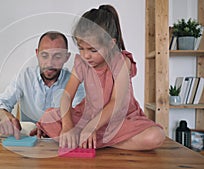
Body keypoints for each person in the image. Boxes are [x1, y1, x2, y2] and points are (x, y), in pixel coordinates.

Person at [37, 5, 165, 150]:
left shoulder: (122, 62)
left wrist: (91, 128)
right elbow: (67, 96)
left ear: (111, 44)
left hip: (119, 119)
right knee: (50, 117)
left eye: (93, 50)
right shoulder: (81, 62)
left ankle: (91, 140)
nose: (86, 55)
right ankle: (88, 139)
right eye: (81, 48)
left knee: (155, 136)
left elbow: (116, 102)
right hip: (89, 117)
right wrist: (67, 127)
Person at [0, 31, 85, 139]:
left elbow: (79, 117)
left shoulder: (75, 82)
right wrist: (4, 117)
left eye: (57, 57)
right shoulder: (25, 76)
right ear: (37, 53)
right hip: (27, 144)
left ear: (66, 57)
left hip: (59, 142)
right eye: (44, 56)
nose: (49, 63)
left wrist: (48, 127)